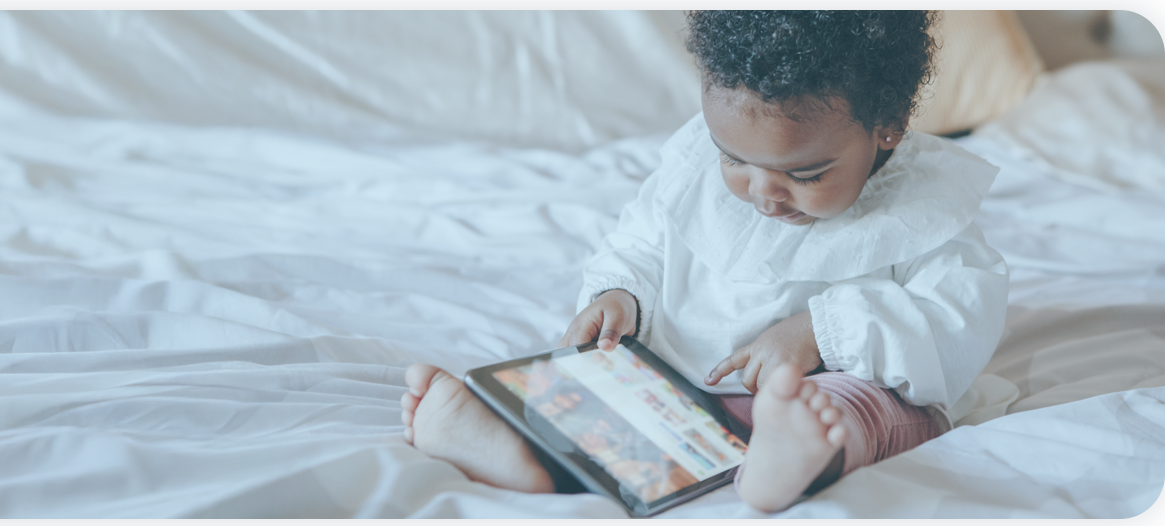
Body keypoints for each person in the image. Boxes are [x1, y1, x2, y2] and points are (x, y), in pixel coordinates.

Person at [399, 10, 1008, 513]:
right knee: (602, 389)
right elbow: (643, 239)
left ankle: (796, 455)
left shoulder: (926, 209)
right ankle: (516, 449)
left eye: (805, 174)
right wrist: (621, 295)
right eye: (733, 160)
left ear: (887, 127)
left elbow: (954, 318)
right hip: (683, 388)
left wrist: (820, 332)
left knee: (861, 410)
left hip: (819, 392)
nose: (763, 193)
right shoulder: (697, 168)